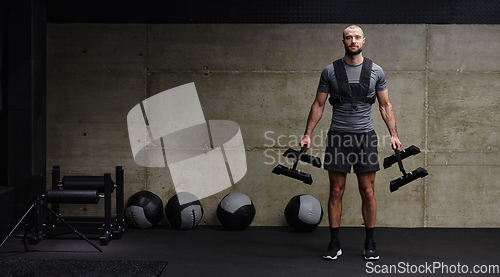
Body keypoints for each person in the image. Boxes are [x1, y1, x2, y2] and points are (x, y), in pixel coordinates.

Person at [299, 25, 402, 261]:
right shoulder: (330, 71)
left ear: (363, 40)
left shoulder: (376, 71)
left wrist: (394, 134)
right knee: (336, 191)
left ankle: (370, 243)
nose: (353, 41)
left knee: (368, 191)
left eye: (357, 37)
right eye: (349, 37)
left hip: (365, 138)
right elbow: (318, 104)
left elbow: (385, 106)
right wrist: (307, 134)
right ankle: (334, 243)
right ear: (343, 41)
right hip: (338, 137)